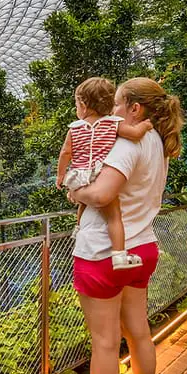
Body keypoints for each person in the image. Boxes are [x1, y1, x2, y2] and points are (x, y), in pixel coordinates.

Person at [63, 77, 184, 374]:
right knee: (139, 333)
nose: (112, 112)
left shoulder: (124, 145)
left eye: (118, 104)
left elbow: (100, 194)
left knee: (103, 342)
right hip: (141, 250)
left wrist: (72, 190)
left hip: (102, 255)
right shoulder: (158, 143)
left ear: (135, 108)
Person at [56, 77, 153, 270]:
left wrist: (60, 176)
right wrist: (145, 126)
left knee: (84, 201)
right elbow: (134, 134)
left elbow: (65, 152)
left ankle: (79, 229)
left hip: (80, 175)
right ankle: (119, 254)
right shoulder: (113, 124)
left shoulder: (74, 129)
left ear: (83, 105)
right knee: (114, 217)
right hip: (100, 173)